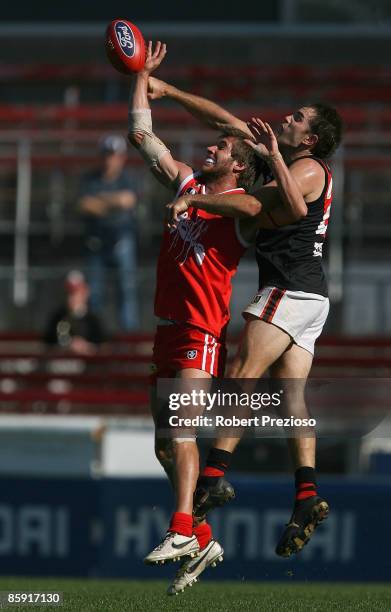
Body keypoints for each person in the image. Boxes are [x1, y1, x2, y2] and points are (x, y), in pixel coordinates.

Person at [158, 77, 343, 558]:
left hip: (291, 286)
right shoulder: (275, 151)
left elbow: (260, 205)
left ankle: (213, 477)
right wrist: (170, 92)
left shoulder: (305, 168)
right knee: (292, 398)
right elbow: (222, 121)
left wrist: (194, 198)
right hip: (311, 296)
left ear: (311, 139)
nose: (288, 117)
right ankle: (306, 495)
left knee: (243, 374)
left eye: (298, 118)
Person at [127, 41, 264, 593]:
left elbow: (254, 206)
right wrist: (141, 74)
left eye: (222, 147)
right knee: (164, 443)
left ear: (240, 165)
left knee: (182, 430)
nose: (211, 148)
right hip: (166, 331)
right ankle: (204, 537)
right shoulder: (187, 182)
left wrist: (199, 204)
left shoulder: (242, 210)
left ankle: (182, 527)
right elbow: (142, 134)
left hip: (202, 333)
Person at [78, 134, 139, 331]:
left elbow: (128, 200)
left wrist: (101, 201)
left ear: (122, 157)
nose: (109, 160)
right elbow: (84, 205)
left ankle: (129, 340)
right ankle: (95, 335)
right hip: (95, 243)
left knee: (126, 292)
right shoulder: (90, 178)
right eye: (106, 155)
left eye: (113, 155)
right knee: (94, 294)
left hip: (122, 242)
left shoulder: (128, 179)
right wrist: (114, 202)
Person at [43, 270, 106, 355]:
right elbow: (47, 345)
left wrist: (87, 347)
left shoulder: (94, 320)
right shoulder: (57, 317)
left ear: (86, 292)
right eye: (70, 292)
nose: (72, 296)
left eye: (76, 291)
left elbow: (104, 347)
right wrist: (68, 347)